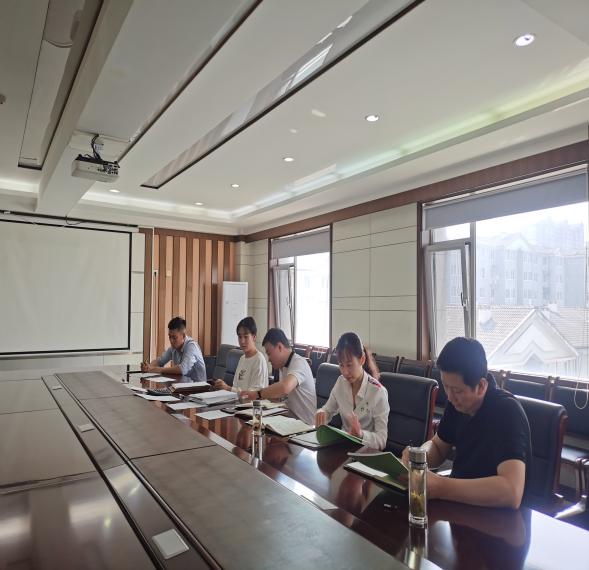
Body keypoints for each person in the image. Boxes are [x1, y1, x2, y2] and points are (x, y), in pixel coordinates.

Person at [402, 337, 531, 509]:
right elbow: (438, 446)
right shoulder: (457, 403)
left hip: (498, 517)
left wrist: (441, 487)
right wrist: (419, 456)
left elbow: (511, 492)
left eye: (457, 390)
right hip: (460, 506)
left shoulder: (506, 411)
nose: (450, 397)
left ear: (481, 386)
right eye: (446, 387)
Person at [315, 332, 389, 450]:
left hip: (365, 452)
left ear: (362, 359)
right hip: (342, 448)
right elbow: (328, 410)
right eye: (341, 365)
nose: (345, 372)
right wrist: (321, 413)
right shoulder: (341, 382)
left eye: (349, 365)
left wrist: (361, 435)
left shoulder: (378, 392)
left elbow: (382, 440)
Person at [239, 328, 317, 425]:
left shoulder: (299, 363)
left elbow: (285, 388)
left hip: (305, 426)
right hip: (289, 420)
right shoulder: (283, 367)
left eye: (269, 353)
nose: (268, 359)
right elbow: (280, 396)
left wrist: (257, 394)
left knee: (257, 425)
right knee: (253, 422)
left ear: (280, 347)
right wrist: (260, 397)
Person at [141, 316, 206, 381]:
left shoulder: (192, 346)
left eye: (174, 338)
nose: (171, 341)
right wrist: (148, 367)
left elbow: (182, 369)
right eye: (170, 337)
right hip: (182, 384)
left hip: (197, 386)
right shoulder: (173, 348)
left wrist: (157, 369)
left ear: (183, 336)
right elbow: (160, 361)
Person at [214, 317, 269, 393]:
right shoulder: (242, 358)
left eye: (246, 337)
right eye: (240, 337)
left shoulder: (259, 360)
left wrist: (227, 388)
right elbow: (235, 387)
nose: (242, 341)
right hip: (236, 400)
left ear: (254, 337)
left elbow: (255, 394)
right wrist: (223, 387)